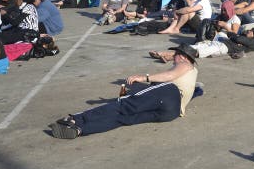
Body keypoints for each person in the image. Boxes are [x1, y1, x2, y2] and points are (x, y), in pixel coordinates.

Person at [48, 42, 199, 139]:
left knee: (122, 106)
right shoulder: (191, 70)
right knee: (123, 118)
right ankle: (80, 130)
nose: (173, 56)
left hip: (168, 94)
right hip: (170, 113)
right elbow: (189, 87)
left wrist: (143, 77)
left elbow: (169, 75)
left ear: (184, 57)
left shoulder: (185, 65)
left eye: (176, 54)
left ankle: (75, 119)